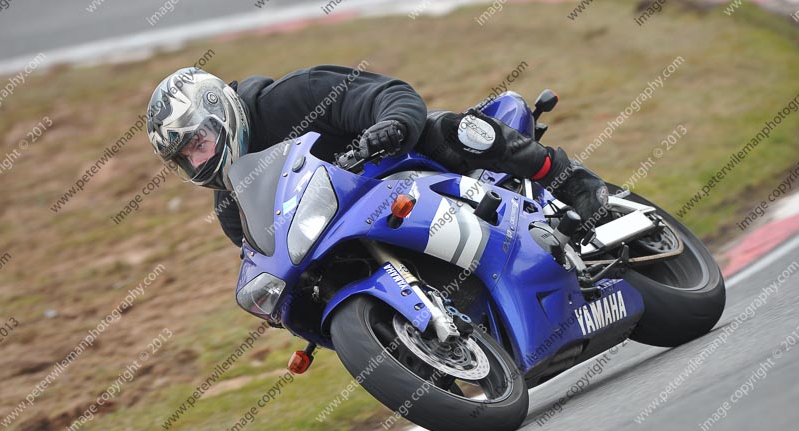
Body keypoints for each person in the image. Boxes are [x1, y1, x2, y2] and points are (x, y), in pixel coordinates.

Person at [146, 65, 610, 247]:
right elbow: (261, 253)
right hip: (361, 225)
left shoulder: (291, 97)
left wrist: (387, 127)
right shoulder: (232, 201)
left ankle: (573, 182)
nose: (198, 159)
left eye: (198, 140)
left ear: (218, 113)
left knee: (457, 130)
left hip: (402, 165)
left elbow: (390, 94)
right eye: (186, 156)